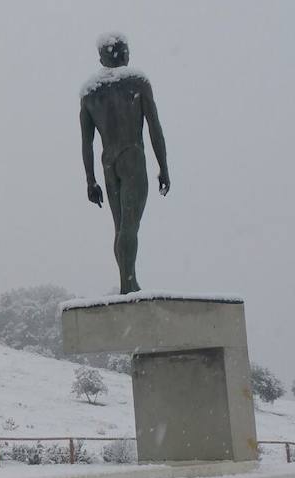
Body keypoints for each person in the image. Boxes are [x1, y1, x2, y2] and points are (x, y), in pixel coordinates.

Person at [79, 33, 170, 294]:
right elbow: (155, 128)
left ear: (102, 57)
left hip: (108, 162)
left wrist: (91, 179)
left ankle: (127, 281)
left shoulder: (90, 93)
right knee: (130, 226)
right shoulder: (137, 82)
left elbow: (87, 144)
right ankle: (128, 284)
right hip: (132, 155)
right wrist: (163, 167)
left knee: (121, 228)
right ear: (124, 54)